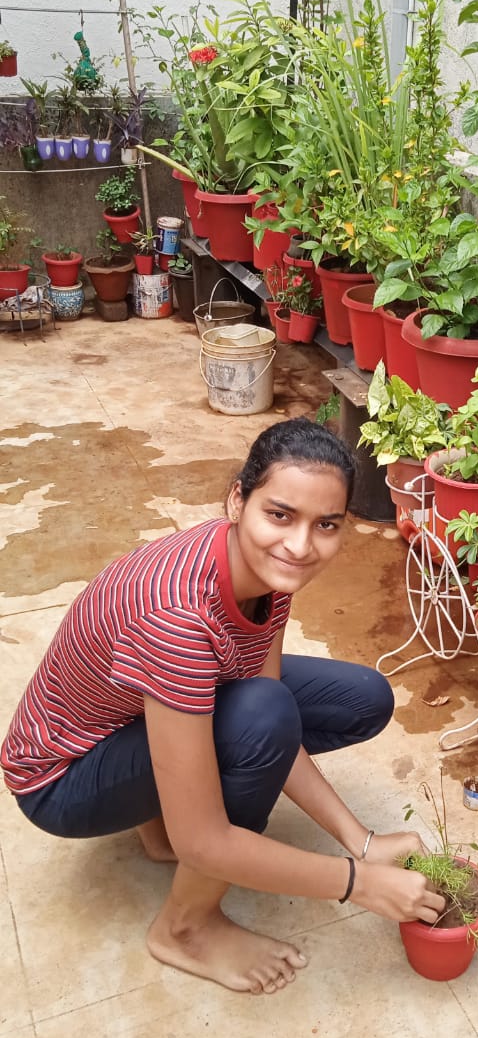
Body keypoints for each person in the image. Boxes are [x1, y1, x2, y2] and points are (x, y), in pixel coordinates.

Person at [1, 417, 444, 995]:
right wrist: (358, 882)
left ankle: (159, 823)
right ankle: (184, 929)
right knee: (261, 718)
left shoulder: (266, 573)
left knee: (359, 699)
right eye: (280, 515)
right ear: (238, 500)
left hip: (135, 718)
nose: (300, 546)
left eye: (326, 524)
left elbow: (272, 706)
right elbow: (216, 821)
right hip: (63, 777)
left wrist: (362, 841)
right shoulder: (177, 614)